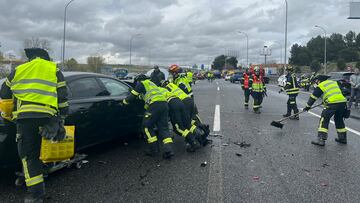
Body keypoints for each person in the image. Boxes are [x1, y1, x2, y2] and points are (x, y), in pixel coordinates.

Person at [0, 48, 69, 202]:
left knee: (29, 156)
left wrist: (13, 110)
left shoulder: (20, 69)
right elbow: (63, 97)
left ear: (31, 58)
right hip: (48, 117)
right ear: (46, 58)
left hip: (26, 119)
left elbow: (4, 93)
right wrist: (61, 118)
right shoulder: (54, 69)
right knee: (45, 148)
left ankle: (36, 195)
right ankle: (40, 174)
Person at [123, 74, 174, 158]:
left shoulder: (142, 83)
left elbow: (132, 96)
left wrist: (125, 101)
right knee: (163, 128)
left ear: (139, 80)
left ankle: (154, 150)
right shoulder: (151, 84)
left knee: (146, 127)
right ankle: (168, 150)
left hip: (155, 105)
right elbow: (144, 95)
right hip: (164, 104)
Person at [303, 74, 348, 146]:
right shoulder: (334, 82)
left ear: (320, 80)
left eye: (316, 81)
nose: (316, 82)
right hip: (342, 103)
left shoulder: (321, 85)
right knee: (339, 119)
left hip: (332, 104)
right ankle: (342, 138)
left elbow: (313, 97)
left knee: (324, 119)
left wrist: (307, 107)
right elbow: (339, 92)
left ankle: (321, 139)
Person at [160, 81, 200, 151]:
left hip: (176, 105)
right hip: (183, 101)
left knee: (178, 128)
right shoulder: (172, 86)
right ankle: (200, 136)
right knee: (187, 123)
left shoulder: (159, 90)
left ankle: (193, 142)